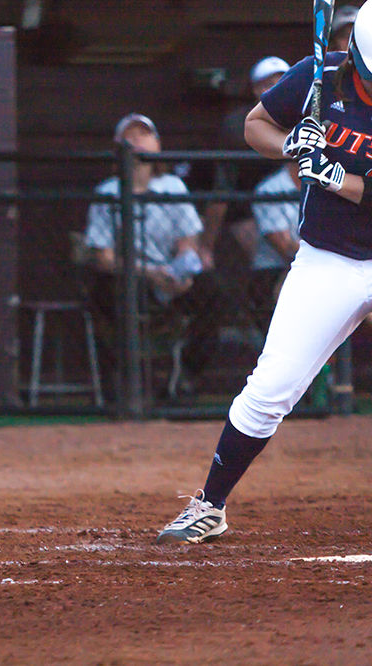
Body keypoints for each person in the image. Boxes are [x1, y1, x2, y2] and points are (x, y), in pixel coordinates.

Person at [157, 2, 372, 544]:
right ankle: (210, 504)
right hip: (329, 258)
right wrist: (291, 147)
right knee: (270, 387)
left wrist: (333, 174)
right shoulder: (319, 75)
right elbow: (257, 125)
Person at [85, 113, 223, 397]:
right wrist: (149, 274)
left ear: (158, 144)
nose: (137, 141)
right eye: (130, 135)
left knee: (213, 292)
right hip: (130, 276)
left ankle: (185, 376)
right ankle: (128, 387)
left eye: (144, 134)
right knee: (113, 294)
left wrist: (180, 274)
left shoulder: (172, 187)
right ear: (118, 145)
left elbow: (188, 241)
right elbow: (104, 258)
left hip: (171, 274)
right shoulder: (107, 192)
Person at [199, 56, 291, 273]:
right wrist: (206, 246)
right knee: (271, 264)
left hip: (298, 206)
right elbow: (223, 187)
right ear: (255, 90)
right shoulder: (237, 124)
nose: (275, 88)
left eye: (282, 81)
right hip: (246, 211)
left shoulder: (307, 115)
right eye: (267, 84)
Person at [245, 163, 301, 332]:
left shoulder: (334, 184)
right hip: (275, 270)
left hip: (328, 266)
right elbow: (285, 248)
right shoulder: (269, 189)